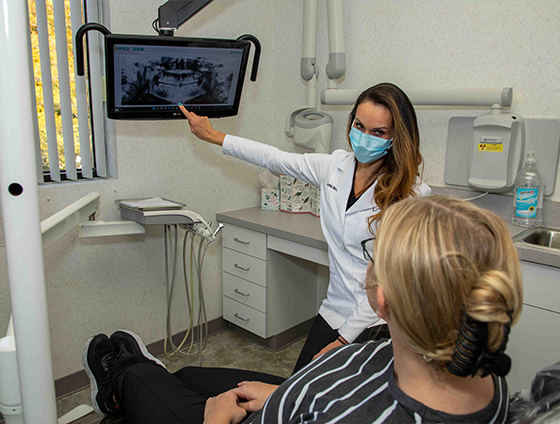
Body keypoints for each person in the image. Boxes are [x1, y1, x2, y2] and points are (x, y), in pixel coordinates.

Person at [83, 195, 523, 424]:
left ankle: (117, 385)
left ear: (383, 298)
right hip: (295, 401)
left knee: (145, 378)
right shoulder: (482, 365)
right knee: (188, 376)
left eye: (373, 253)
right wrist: (286, 396)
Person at [179, 82, 431, 373]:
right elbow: (275, 158)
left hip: (379, 320)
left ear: (396, 138)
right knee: (298, 384)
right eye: (359, 126)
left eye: (378, 132)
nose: (364, 137)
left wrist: (343, 340)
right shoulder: (336, 166)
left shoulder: (412, 196)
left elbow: (390, 281)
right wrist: (214, 136)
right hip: (335, 307)